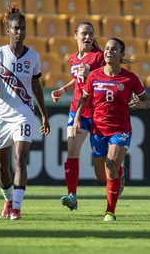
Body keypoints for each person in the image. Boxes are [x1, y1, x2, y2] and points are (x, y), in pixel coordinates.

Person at [0, 3, 51, 221]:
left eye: (23, 28)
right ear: (8, 30)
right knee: (1, 166)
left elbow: (36, 87)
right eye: (16, 28)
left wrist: (44, 114)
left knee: (20, 158)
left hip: (24, 113)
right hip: (1, 114)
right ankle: (8, 200)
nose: (20, 32)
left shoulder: (33, 57)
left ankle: (16, 208)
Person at [72, 37, 150, 222]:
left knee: (111, 165)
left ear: (121, 54)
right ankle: (121, 174)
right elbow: (84, 100)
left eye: (114, 49)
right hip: (98, 130)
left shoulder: (130, 78)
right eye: (107, 49)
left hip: (120, 129)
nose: (109, 52)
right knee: (102, 176)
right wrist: (76, 119)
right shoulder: (94, 75)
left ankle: (110, 212)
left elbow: (147, 100)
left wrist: (141, 104)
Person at [51, 22, 105, 211]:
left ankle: (119, 173)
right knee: (72, 151)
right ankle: (72, 195)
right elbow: (77, 80)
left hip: (98, 112)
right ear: (75, 36)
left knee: (103, 166)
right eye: (84, 34)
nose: (87, 37)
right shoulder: (73, 58)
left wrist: (91, 75)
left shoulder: (99, 57)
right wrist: (63, 89)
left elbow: (107, 80)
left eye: (90, 34)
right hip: (77, 111)